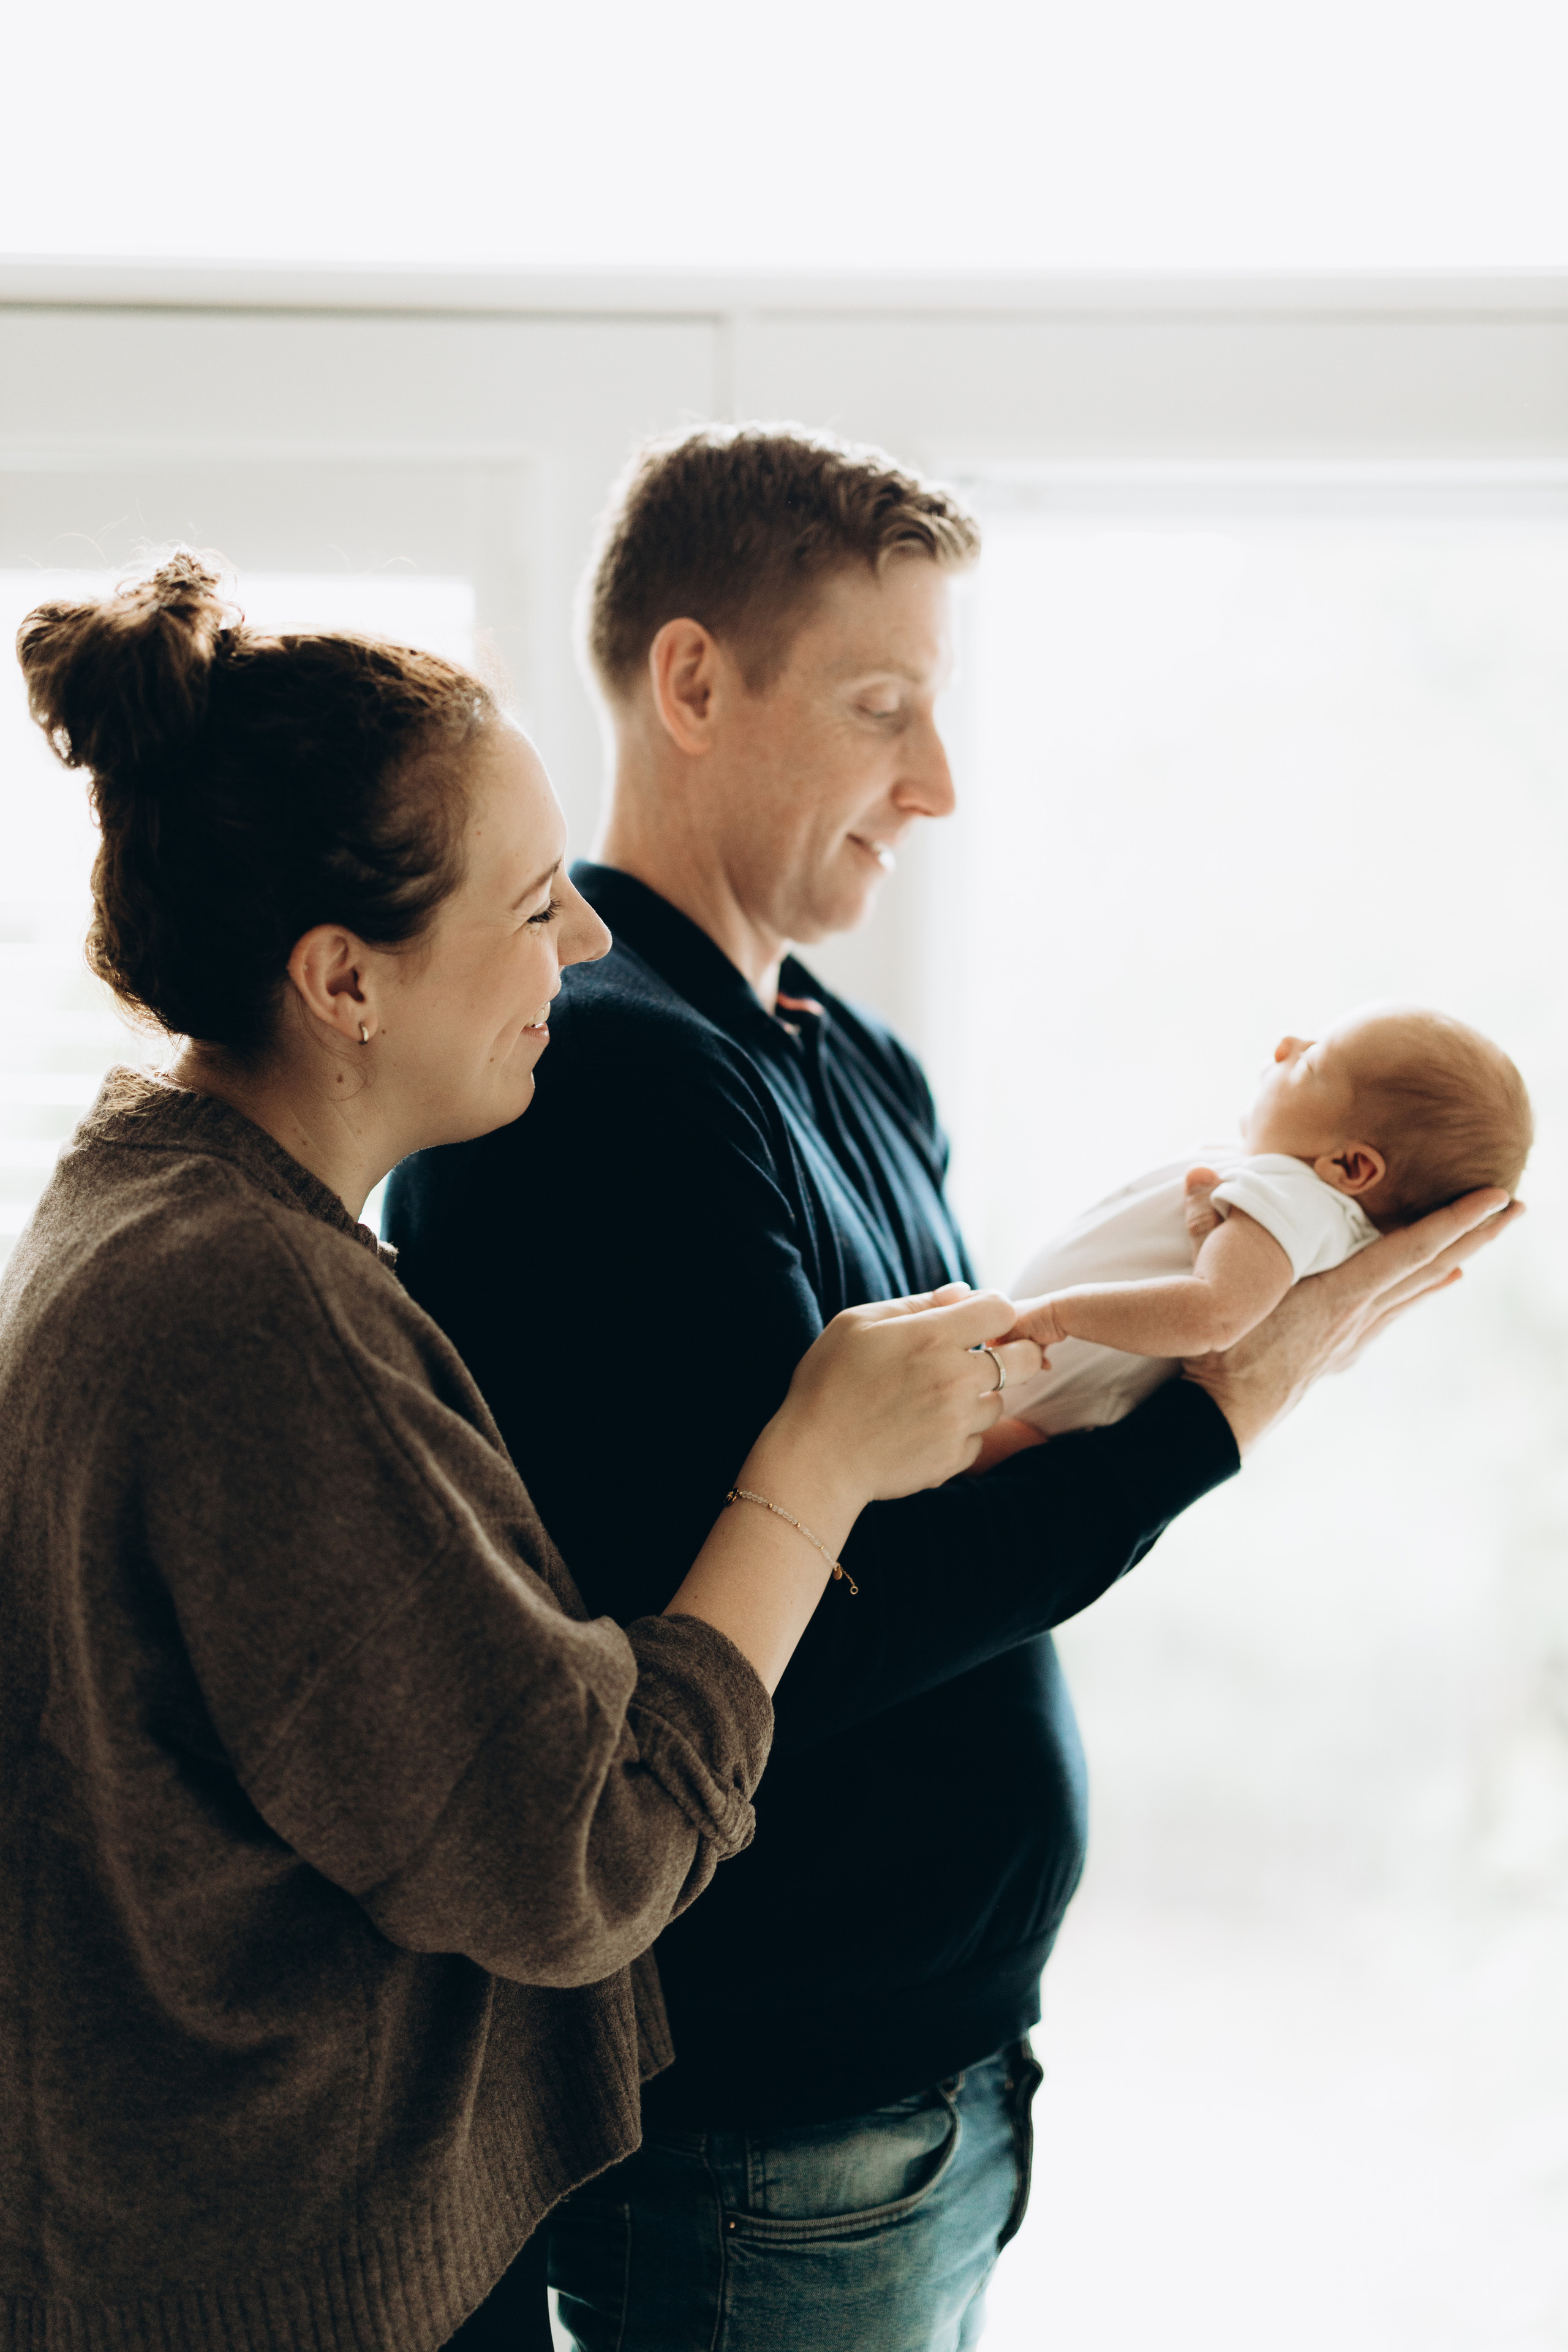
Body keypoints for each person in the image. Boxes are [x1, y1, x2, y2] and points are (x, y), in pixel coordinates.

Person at [383, 428, 1518, 2352]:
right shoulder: (598, 1085)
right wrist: (1226, 1408)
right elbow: (768, 1644)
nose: (938, 782)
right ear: (690, 681)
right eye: (881, 705)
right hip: (773, 2123)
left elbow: (948, 1475)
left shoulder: (851, 1059)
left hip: (931, 2081)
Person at [0, 551, 1044, 2352]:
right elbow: (570, 1855)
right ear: (343, 978)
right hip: (296, 2284)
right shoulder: (248, 1313)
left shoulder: (170, 1222)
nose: (583, 944)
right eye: (535, 898)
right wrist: (812, 1456)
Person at [987, 1005, 1532, 1449]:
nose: (1286, 1045)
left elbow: (1216, 1313)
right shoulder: (1305, 1209)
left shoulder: (1297, 1196)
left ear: (1350, 1167)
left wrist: (1059, 1314)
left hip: (1046, 1402)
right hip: (1042, 1401)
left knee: (951, 1473)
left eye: (1312, 1063)